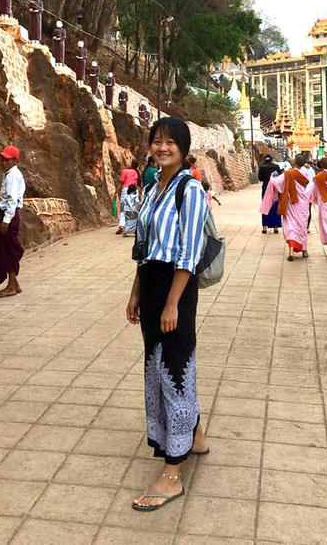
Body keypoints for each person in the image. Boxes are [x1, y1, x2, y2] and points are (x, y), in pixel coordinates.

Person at [126, 117, 210, 512]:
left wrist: (173, 303)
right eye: (156, 142)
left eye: (170, 142)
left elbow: (188, 253)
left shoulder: (190, 190)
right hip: (152, 282)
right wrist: (136, 293)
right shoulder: (153, 186)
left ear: (183, 146)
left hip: (176, 287)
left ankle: (173, 470)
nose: (162, 148)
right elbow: (144, 247)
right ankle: (194, 433)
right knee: (162, 364)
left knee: (174, 367)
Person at [261, 153, 310, 261]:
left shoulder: (288, 173)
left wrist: (272, 177)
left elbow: (277, 183)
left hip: (291, 203)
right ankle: (304, 251)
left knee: (291, 225)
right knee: (302, 226)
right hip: (303, 204)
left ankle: (291, 251)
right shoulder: (306, 172)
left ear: (295, 162)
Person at [0, 145, 25, 298]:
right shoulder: (10, 174)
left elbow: (12, 200)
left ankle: (11, 285)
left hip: (8, 215)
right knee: (4, 247)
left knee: (7, 249)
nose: (3, 162)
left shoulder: (12, 176)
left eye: (7, 160)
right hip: (7, 213)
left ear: (15, 161)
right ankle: (14, 283)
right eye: (2, 159)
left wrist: (6, 220)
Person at [258, 154, 281, 234]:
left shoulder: (262, 167)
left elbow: (260, 178)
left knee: (265, 205)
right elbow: (279, 177)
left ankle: (264, 227)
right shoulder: (276, 167)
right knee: (275, 206)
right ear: (271, 159)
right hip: (274, 188)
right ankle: (275, 227)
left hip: (266, 188)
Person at [116, 159, 140, 234]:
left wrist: (116, 192)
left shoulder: (125, 171)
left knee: (123, 208)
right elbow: (137, 184)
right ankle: (132, 227)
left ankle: (122, 226)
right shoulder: (136, 172)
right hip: (134, 191)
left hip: (126, 190)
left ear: (130, 164)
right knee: (133, 209)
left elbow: (121, 182)